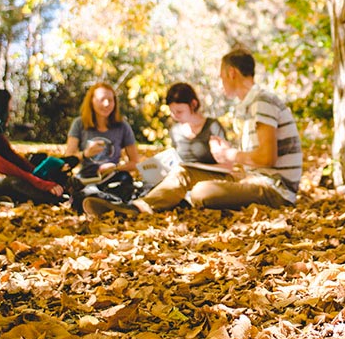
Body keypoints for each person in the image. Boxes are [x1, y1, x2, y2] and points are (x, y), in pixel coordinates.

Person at [84, 49, 302, 217]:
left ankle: (154, 203)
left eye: (221, 76)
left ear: (231, 73)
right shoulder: (248, 105)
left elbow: (266, 158)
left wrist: (229, 155)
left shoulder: (261, 101)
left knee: (200, 192)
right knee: (183, 171)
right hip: (253, 179)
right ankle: (137, 208)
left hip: (275, 190)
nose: (221, 82)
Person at [64, 82, 140, 181]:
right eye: (102, 100)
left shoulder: (122, 126)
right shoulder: (79, 123)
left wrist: (115, 168)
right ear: (92, 101)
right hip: (86, 178)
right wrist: (85, 154)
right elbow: (67, 160)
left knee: (125, 180)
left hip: (113, 177)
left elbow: (135, 163)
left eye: (110, 100)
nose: (106, 104)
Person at [165, 82, 229, 164]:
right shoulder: (175, 131)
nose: (175, 116)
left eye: (179, 112)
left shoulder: (212, 127)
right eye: (172, 112)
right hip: (182, 175)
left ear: (193, 104)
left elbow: (227, 165)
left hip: (210, 176)